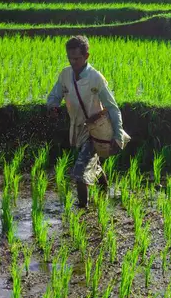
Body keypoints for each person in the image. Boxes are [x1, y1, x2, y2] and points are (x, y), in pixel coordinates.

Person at [47, 35, 125, 208]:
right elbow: (54, 95)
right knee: (92, 162)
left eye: (77, 58)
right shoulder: (65, 75)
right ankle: (105, 193)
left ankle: (83, 210)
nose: (73, 62)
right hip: (77, 128)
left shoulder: (96, 78)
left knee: (80, 172)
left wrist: (118, 135)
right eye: (70, 58)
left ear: (86, 56)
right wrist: (52, 107)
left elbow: (112, 108)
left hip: (97, 130)